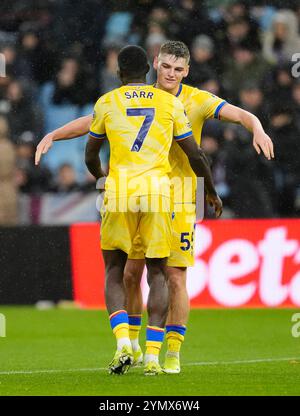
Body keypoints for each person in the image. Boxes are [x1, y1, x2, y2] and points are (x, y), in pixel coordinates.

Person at [35, 41, 274, 374]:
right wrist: (56, 134)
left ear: (186, 71)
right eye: (166, 67)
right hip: (152, 195)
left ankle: (171, 353)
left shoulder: (197, 99)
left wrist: (257, 127)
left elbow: (241, 114)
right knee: (133, 274)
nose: (171, 74)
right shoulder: (146, 97)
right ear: (155, 65)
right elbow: (93, 120)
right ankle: (133, 347)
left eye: (178, 69)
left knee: (174, 277)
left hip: (182, 197)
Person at [83, 45, 222, 375]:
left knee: (116, 270)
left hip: (118, 193)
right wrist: (211, 192)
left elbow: (90, 155)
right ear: (150, 69)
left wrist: (102, 178)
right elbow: (196, 155)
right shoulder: (169, 103)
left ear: (118, 73)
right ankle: (153, 357)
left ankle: (122, 344)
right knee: (159, 272)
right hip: (160, 194)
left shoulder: (106, 102)